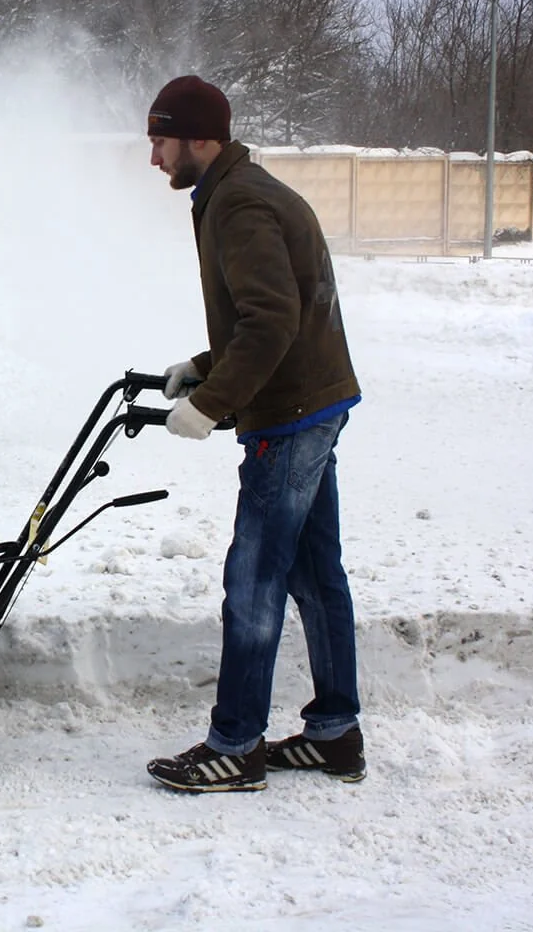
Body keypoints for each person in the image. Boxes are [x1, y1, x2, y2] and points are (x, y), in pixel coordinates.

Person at [142, 75, 366, 793]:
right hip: (311, 401)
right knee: (311, 573)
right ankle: (335, 734)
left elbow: (272, 321)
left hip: (292, 412)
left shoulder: (237, 202)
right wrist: (202, 368)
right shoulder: (240, 191)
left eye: (161, 139)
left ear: (199, 138)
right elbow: (270, 313)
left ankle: (235, 746)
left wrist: (212, 404)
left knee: (254, 579)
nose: (153, 156)